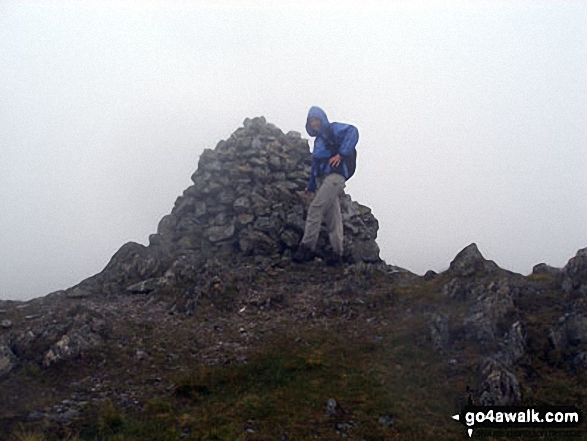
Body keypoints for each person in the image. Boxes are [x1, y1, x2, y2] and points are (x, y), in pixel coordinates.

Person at [292, 106, 359, 267]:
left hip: (335, 177)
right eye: (311, 121)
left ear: (322, 118)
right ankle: (337, 254)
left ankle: (307, 248)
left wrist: (341, 154)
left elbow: (353, 131)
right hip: (323, 180)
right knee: (333, 217)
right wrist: (311, 187)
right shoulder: (318, 141)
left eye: (316, 119)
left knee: (315, 208)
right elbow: (315, 168)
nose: (314, 123)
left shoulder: (333, 129)